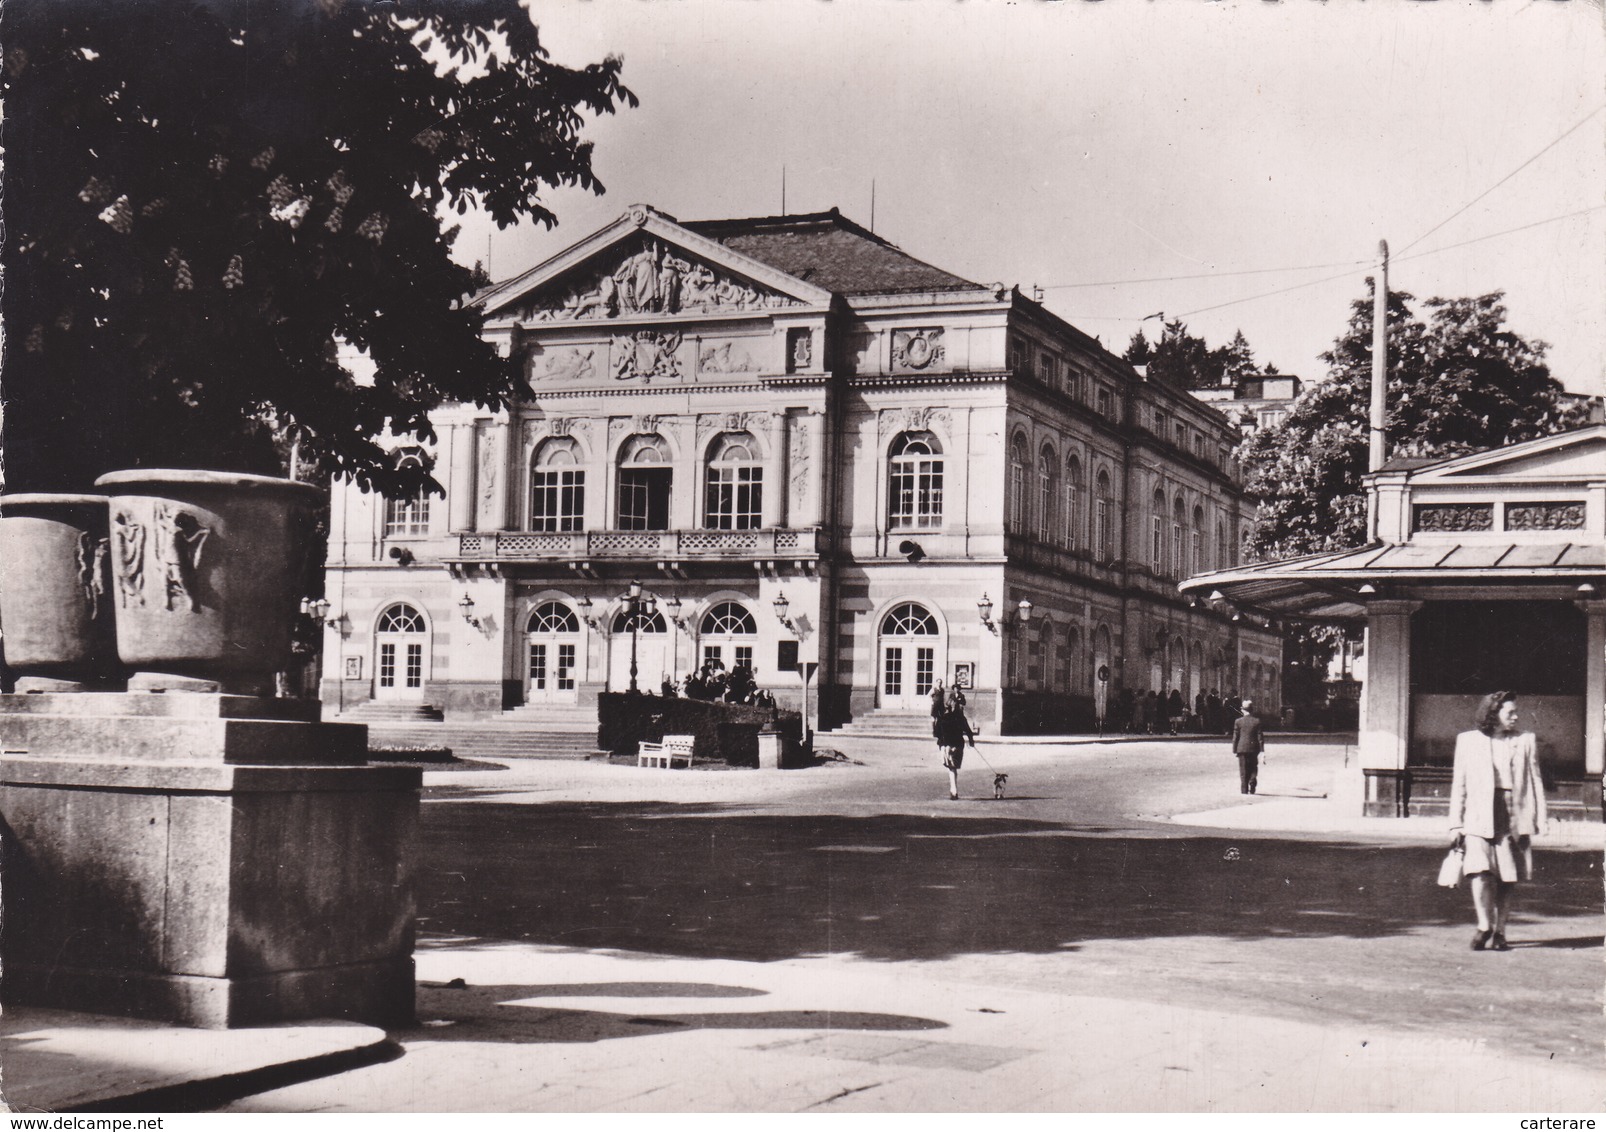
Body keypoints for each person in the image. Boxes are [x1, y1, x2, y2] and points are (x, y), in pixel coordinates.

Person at [1449, 691, 1548, 952]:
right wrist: (1455, 823)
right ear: (1493, 714)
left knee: (1507, 877)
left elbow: (1535, 779)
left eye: (1516, 712)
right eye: (1510, 713)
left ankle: (1501, 932)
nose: (1516, 717)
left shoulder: (1525, 740)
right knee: (1479, 873)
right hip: (1478, 814)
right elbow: (1459, 784)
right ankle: (1484, 926)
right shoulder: (1468, 741)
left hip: (1512, 814)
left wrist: (1540, 817)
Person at [935, 693, 976, 801]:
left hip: (946, 745)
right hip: (958, 745)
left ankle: (954, 791)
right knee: (953, 768)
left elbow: (937, 733)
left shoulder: (943, 718)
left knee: (951, 769)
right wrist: (971, 742)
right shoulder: (961, 718)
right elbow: (968, 731)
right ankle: (954, 790)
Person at [1231, 699, 1263, 795]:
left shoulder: (1238, 721)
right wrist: (1262, 750)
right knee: (1253, 767)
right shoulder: (1257, 721)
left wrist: (1234, 749)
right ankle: (1252, 781)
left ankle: (1244, 790)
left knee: (1243, 770)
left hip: (1241, 748)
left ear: (1242, 710)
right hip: (1254, 748)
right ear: (1252, 710)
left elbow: (1235, 737)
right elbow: (1260, 737)